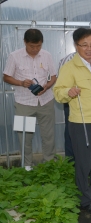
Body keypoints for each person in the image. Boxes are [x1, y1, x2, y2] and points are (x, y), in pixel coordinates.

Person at [54, 28, 91, 215]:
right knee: (84, 162)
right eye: (84, 45)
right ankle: (85, 199)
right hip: (82, 121)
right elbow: (58, 92)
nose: (89, 49)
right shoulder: (69, 67)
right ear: (76, 46)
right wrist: (68, 92)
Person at [3, 28, 57, 170]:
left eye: (38, 46)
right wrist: (21, 83)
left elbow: (54, 76)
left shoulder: (47, 55)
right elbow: (6, 76)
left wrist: (47, 86)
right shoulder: (14, 56)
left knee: (48, 135)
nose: (35, 49)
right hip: (24, 103)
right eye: (32, 46)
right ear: (25, 42)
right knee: (24, 137)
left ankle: (49, 164)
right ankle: (27, 166)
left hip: (45, 101)